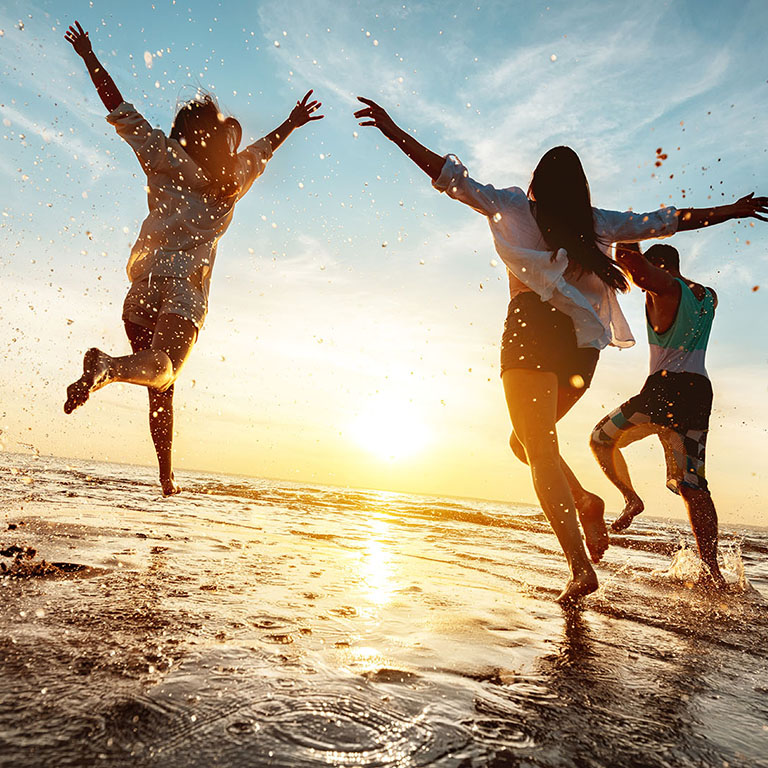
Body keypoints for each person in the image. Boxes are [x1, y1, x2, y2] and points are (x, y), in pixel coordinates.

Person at [353, 96, 768, 602]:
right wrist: (734, 211)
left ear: (535, 182)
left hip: (530, 332)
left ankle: (579, 566)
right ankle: (590, 504)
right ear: (580, 189)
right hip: (581, 351)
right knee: (524, 443)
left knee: (540, 450)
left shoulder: (511, 205)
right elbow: (667, 220)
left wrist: (394, 131)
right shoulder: (597, 223)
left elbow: (448, 176)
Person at [63, 21, 323, 495]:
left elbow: (118, 107)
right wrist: (292, 121)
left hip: (140, 289)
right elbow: (266, 148)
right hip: (184, 289)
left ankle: (166, 479)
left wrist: (88, 57)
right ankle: (107, 367)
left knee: (161, 384)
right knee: (163, 369)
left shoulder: (161, 154)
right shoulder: (232, 181)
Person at [590, 242, 731, 586]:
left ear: (661, 267)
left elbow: (635, 269)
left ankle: (631, 499)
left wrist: (628, 231)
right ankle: (712, 572)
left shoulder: (666, 287)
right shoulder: (708, 296)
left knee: (600, 438)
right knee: (692, 484)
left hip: (664, 391)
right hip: (699, 393)